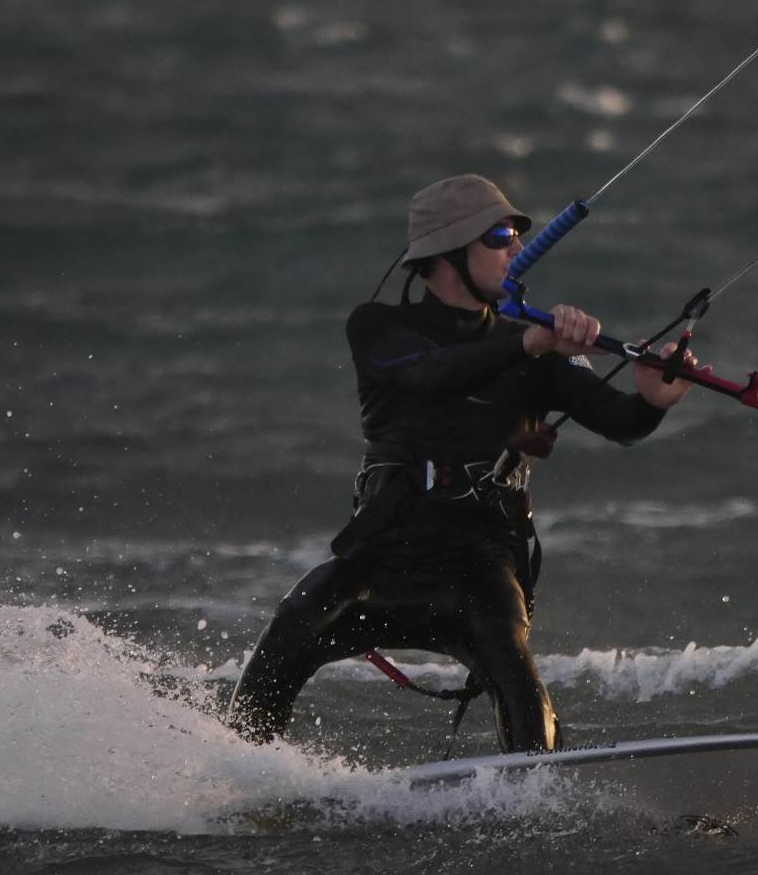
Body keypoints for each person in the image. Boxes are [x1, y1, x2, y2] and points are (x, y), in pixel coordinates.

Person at [226, 174, 702, 753]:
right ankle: (239, 777)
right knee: (293, 623)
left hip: (478, 563)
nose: (514, 251)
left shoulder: (535, 349)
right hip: (383, 554)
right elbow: (429, 374)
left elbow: (620, 422)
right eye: (500, 236)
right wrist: (531, 345)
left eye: (516, 237)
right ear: (448, 254)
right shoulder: (380, 328)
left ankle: (537, 801)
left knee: (516, 672)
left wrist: (654, 397)